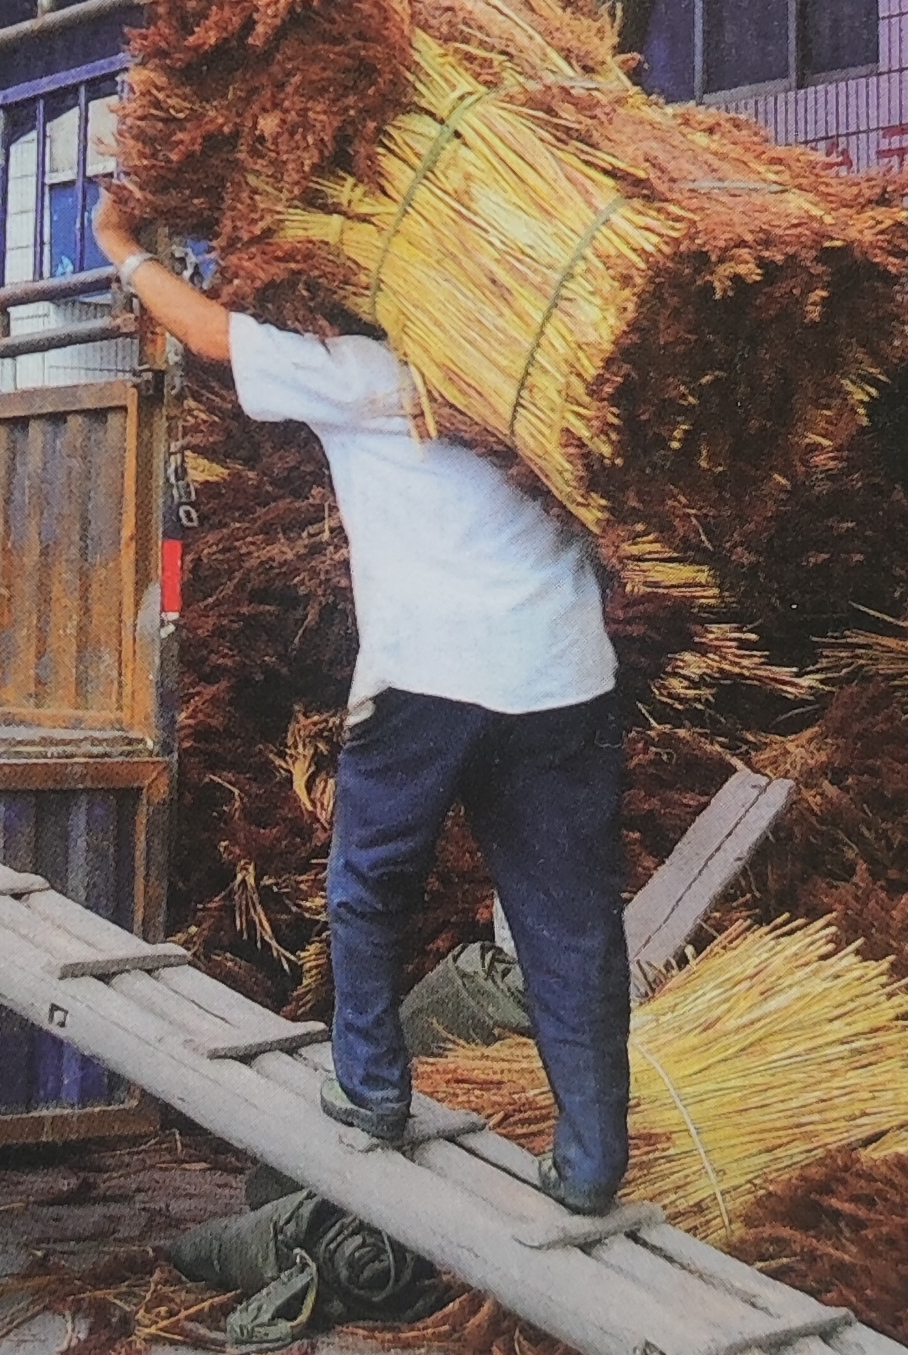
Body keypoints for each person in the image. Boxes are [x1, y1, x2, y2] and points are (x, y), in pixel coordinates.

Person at [91, 186, 629, 1216]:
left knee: (370, 885)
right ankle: (593, 1157)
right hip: (564, 677)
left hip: (430, 678)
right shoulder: (545, 374)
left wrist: (122, 247)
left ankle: (373, 1089)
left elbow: (206, 332)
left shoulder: (367, 374)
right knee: (567, 923)